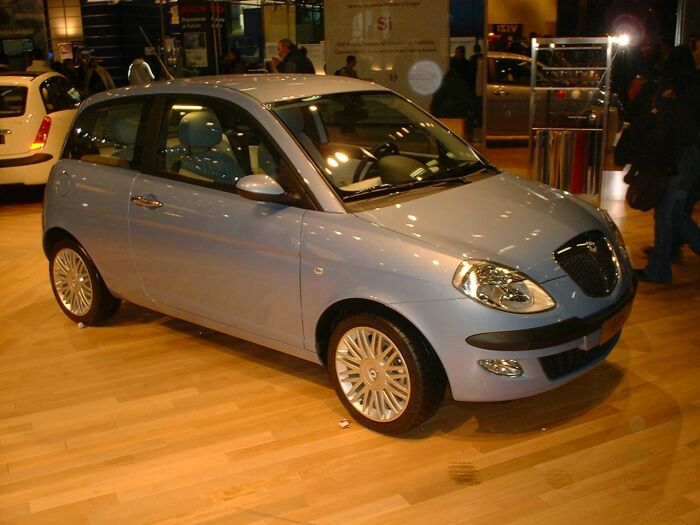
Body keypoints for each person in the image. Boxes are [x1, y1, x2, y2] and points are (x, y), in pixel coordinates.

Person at [635, 45, 700, 284]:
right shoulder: (692, 88)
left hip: (677, 159)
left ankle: (659, 269)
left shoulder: (671, 92)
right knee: (675, 214)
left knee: (666, 213)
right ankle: (660, 264)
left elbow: (664, 131)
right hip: (688, 158)